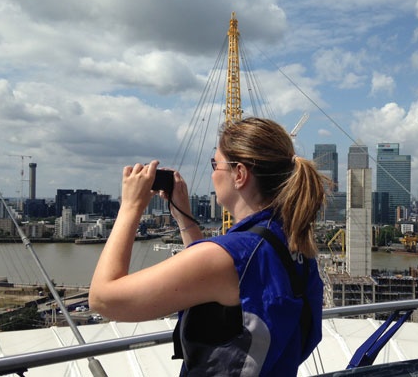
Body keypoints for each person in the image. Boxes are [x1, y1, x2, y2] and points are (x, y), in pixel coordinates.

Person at [89, 117, 331, 376]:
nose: (213, 173)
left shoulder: (235, 255)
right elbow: (216, 289)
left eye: (216, 164)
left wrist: (130, 206)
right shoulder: (293, 247)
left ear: (239, 174)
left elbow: (103, 299)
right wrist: (184, 217)